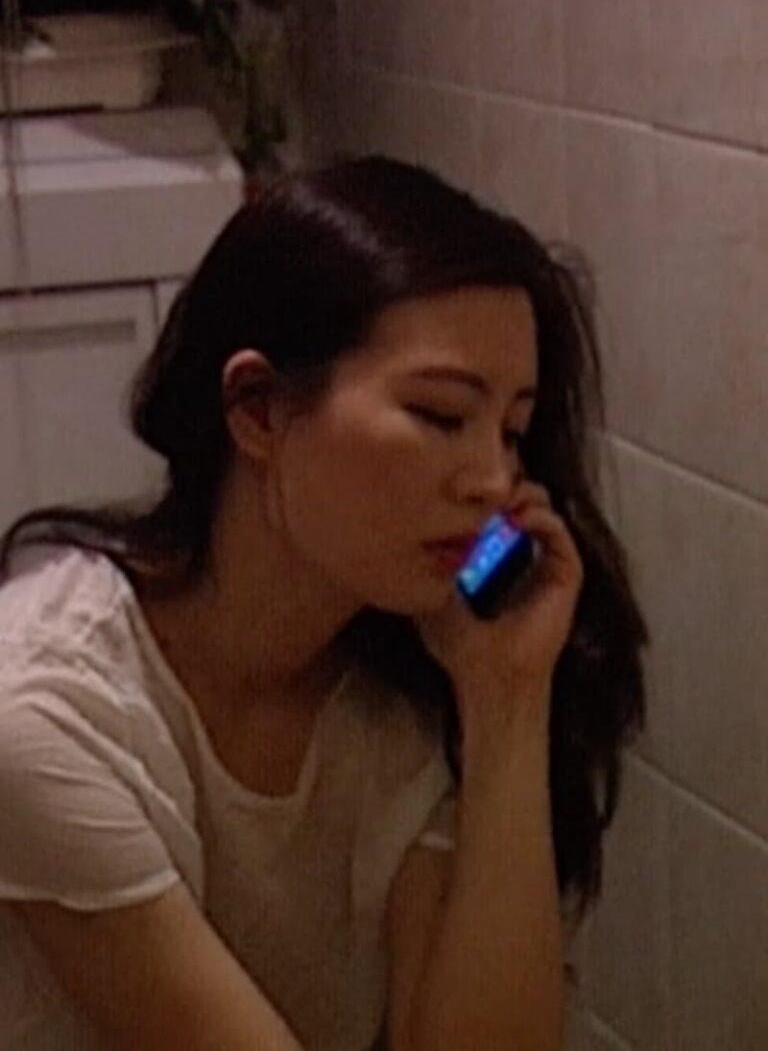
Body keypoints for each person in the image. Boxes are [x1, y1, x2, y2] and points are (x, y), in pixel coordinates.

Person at [0, 156, 647, 1051]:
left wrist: (506, 699)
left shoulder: (405, 679)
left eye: (512, 432)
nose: (495, 481)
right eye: (441, 415)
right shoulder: (44, 714)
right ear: (259, 411)